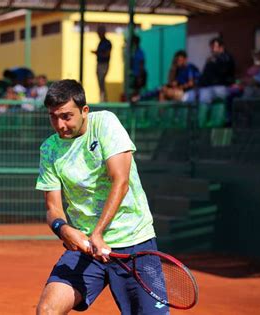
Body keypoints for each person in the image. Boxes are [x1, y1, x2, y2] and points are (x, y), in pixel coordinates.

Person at [35, 79, 164, 314]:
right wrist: (63, 229)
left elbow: (120, 181)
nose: (60, 124)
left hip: (134, 245)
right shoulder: (49, 149)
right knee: (47, 310)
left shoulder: (105, 123)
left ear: (85, 111)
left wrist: (98, 233)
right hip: (87, 250)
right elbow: (53, 208)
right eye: (53, 117)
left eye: (66, 116)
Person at [183, 37, 235, 104]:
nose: (212, 50)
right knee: (189, 95)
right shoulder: (212, 59)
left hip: (221, 87)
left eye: (214, 47)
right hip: (209, 87)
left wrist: (215, 61)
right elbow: (205, 75)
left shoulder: (226, 58)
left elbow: (223, 73)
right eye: (211, 47)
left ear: (221, 47)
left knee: (203, 96)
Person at [92, 25, 112, 102]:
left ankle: (103, 99)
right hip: (100, 63)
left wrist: (98, 53)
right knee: (100, 83)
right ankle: (103, 99)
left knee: (101, 81)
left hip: (104, 64)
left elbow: (106, 54)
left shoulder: (107, 43)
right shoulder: (101, 42)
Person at [129, 35, 147, 100]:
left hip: (139, 75)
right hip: (135, 75)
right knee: (134, 91)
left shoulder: (140, 52)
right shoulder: (133, 52)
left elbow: (141, 64)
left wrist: (140, 76)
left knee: (138, 92)